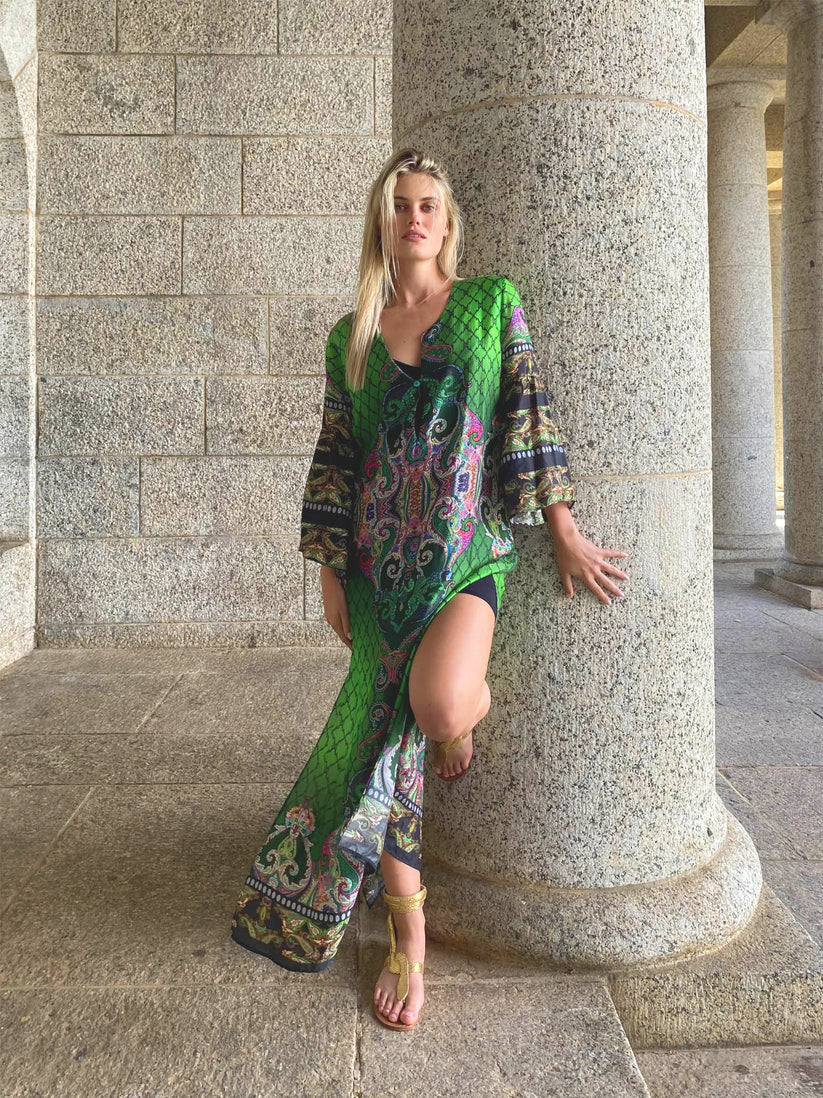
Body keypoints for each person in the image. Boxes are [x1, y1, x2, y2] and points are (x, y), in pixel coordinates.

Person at [230, 148, 629, 1032]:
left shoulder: (489, 305)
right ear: (381, 223)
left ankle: (456, 712)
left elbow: (526, 412)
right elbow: (337, 459)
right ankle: (408, 933)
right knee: (388, 732)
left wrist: (562, 529)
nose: (414, 218)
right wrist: (329, 573)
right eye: (400, 205)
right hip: (377, 572)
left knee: (441, 706)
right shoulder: (352, 336)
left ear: (447, 225)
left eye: (427, 206)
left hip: (466, 556)